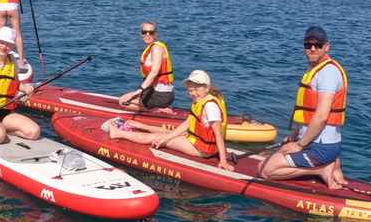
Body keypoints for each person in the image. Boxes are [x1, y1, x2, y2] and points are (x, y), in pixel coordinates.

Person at [259, 25, 347, 189]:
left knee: (266, 170)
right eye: (308, 45)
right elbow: (307, 112)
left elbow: (321, 116)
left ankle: (321, 169)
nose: (312, 49)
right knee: (265, 159)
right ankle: (328, 164)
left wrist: (299, 145)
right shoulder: (315, 69)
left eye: (318, 45)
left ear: (326, 47)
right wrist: (295, 135)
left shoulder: (327, 73)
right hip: (312, 142)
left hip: (320, 147)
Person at [105, 69, 233, 171]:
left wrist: (223, 160)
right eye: (190, 90)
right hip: (198, 141)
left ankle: (117, 133)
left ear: (207, 87)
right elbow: (188, 123)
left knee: (157, 137)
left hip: (202, 149)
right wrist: (168, 136)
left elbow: (218, 134)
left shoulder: (210, 106)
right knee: (167, 133)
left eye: (197, 89)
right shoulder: (203, 99)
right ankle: (142, 126)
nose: (193, 93)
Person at [118, 22, 174, 110]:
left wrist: (140, 89)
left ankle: (158, 109)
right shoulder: (151, 47)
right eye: (144, 32)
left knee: (123, 102)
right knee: (124, 98)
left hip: (161, 95)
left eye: (151, 32)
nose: (147, 35)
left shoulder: (156, 48)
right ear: (141, 34)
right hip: (152, 90)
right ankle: (157, 107)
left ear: (155, 34)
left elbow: (154, 72)